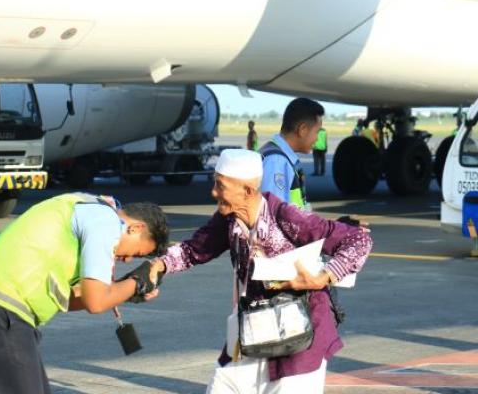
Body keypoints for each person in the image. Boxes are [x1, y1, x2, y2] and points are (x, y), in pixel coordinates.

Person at [149, 149, 372, 393]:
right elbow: (194, 250)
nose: (213, 192)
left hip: (299, 338)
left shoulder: (286, 217)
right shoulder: (228, 219)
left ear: (247, 191)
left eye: (220, 185)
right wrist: (158, 265)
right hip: (253, 330)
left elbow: (357, 240)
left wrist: (323, 277)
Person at [0, 192, 168, 394]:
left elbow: (74, 299)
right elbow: (96, 303)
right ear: (136, 228)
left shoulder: (89, 209)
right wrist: (137, 282)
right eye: (137, 252)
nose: (128, 259)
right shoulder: (106, 221)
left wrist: (123, 291)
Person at [259, 98, 325, 209]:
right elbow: (272, 216)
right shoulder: (277, 162)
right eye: (317, 132)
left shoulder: (278, 156)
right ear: (302, 129)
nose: (317, 139)